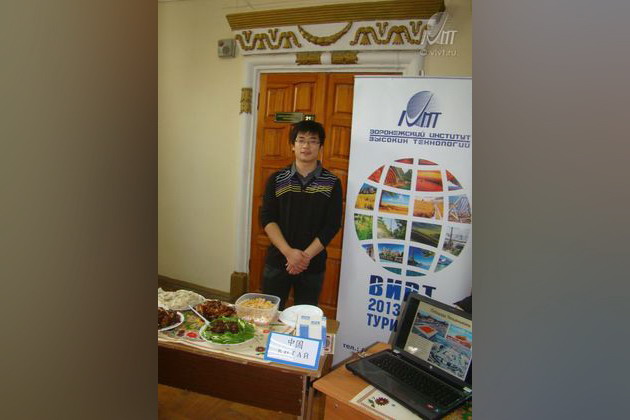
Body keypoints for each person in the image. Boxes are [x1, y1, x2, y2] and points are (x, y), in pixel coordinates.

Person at [260, 120, 343, 310]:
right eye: (301, 140)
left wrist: (304, 258)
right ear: (293, 145)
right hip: (278, 260)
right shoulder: (276, 179)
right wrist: (289, 253)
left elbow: (332, 224)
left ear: (321, 147)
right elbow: (267, 218)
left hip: (312, 264)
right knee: (269, 314)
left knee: (305, 316)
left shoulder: (332, 182)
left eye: (313, 141)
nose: (306, 146)